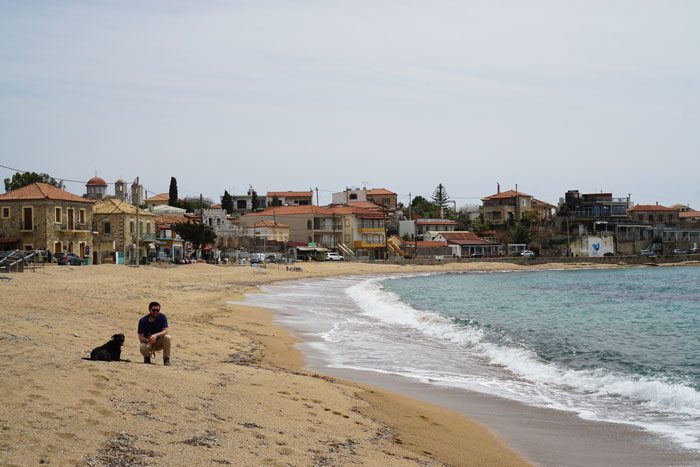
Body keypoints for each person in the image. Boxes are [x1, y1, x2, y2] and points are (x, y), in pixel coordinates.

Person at [137, 301, 171, 365]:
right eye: (154, 310)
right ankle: (147, 358)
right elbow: (141, 337)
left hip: (159, 343)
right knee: (142, 345)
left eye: (157, 310)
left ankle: (166, 359)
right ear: (149, 310)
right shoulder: (143, 321)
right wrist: (148, 340)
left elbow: (166, 330)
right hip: (148, 344)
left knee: (168, 337)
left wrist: (156, 335)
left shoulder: (162, 317)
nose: (156, 312)